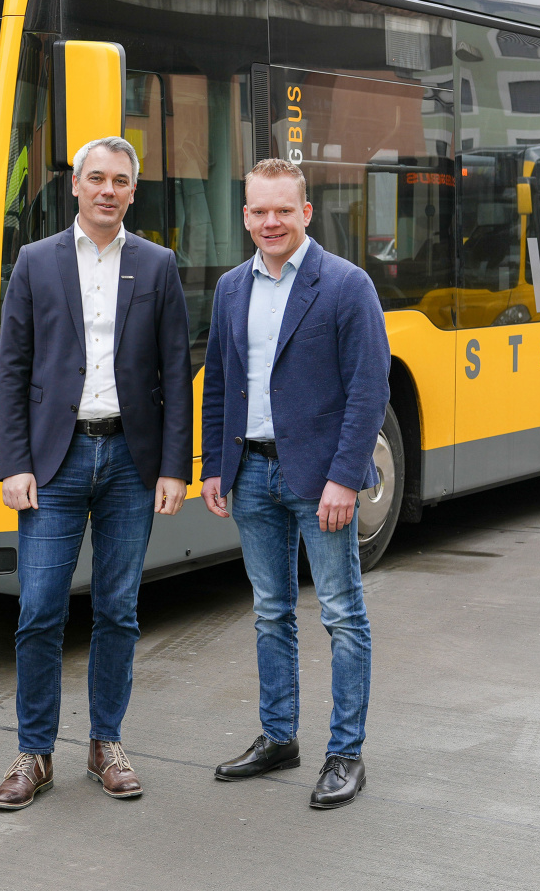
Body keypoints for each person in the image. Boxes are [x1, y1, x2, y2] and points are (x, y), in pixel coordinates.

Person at [0, 135, 193, 810]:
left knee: (118, 611)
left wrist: (174, 467)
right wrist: (14, 463)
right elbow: (12, 370)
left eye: (121, 181)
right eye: (97, 178)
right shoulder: (35, 261)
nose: (108, 190)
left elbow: (176, 372)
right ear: (75, 185)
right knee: (39, 610)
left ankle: (106, 743)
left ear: (133, 192)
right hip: (54, 461)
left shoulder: (158, 265)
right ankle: (34, 752)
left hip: (132, 462)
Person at [200, 158, 390, 809]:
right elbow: (219, 383)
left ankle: (346, 753)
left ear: (306, 212)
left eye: (283, 210)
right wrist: (214, 466)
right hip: (250, 472)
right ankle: (279, 737)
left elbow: (369, 390)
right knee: (270, 612)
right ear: (245, 216)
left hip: (320, 480)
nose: (271, 222)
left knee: (342, 614)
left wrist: (345, 478)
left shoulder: (346, 285)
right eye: (259, 211)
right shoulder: (231, 288)